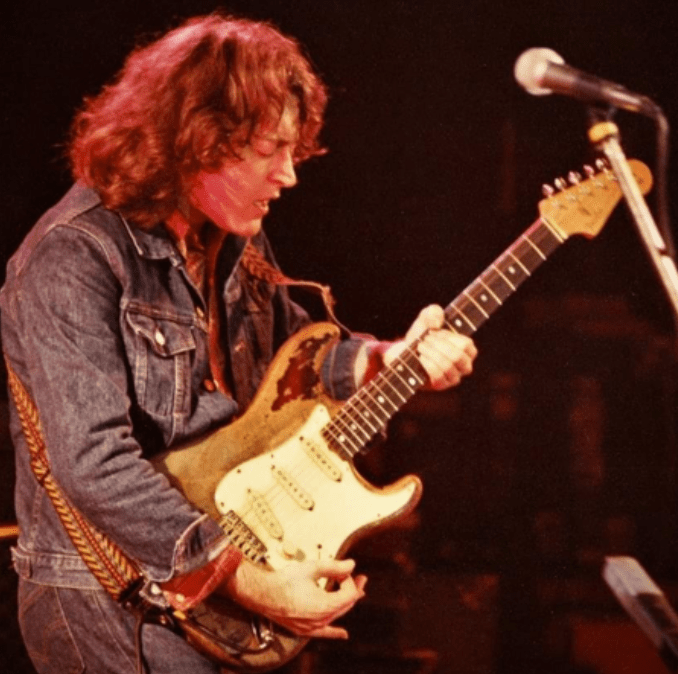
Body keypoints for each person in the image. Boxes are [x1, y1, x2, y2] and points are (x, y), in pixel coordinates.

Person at [1, 13, 477, 674]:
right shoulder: (74, 256)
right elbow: (92, 463)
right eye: (270, 149)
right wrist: (246, 579)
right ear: (197, 139)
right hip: (111, 600)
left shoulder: (232, 238)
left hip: (209, 591)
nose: (289, 175)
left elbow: (294, 366)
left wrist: (390, 359)